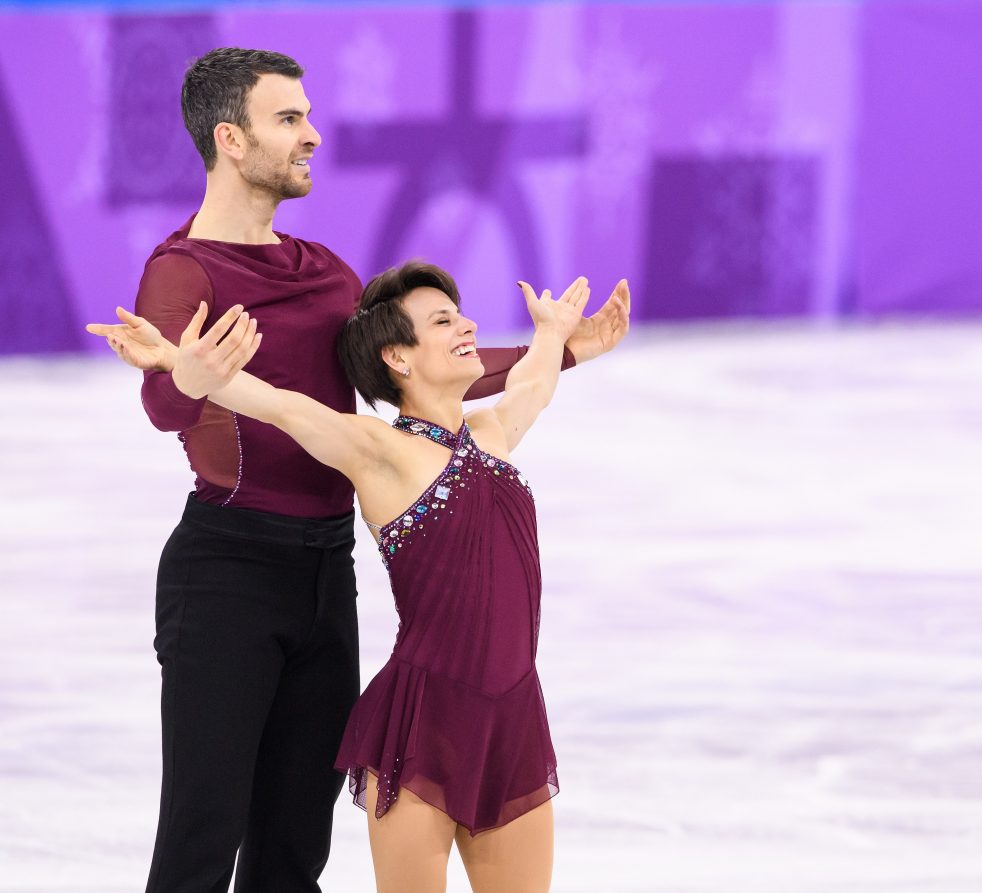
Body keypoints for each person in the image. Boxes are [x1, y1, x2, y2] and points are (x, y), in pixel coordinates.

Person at [102, 46, 629, 893]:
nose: (312, 134)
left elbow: (412, 369)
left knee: (292, 850)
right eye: (289, 119)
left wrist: (558, 353)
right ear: (231, 139)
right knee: (202, 836)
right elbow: (169, 406)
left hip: (325, 570)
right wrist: (189, 378)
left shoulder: (325, 273)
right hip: (228, 570)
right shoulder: (182, 270)